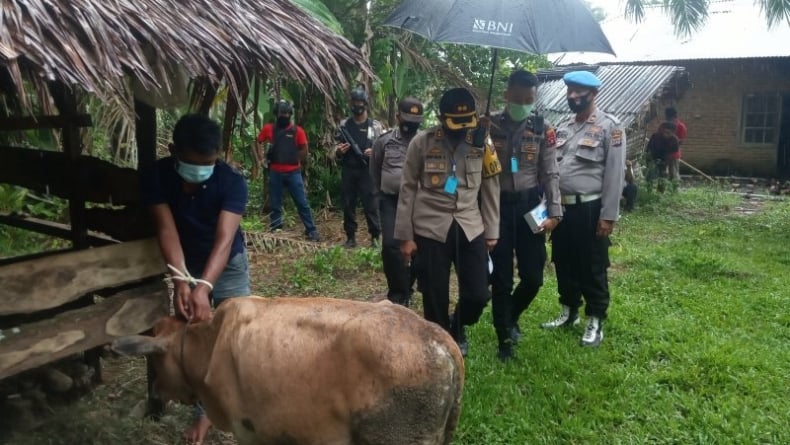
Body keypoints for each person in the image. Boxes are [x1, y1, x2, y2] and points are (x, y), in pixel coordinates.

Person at [140, 113, 251, 444]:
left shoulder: (232, 181)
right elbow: (166, 229)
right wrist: (181, 281)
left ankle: (225, 410)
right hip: (184, 262)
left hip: (226, 263)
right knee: (194, 336)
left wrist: (205, 286)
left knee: (235, 335)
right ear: (173, 151)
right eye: (193, 163)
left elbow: (224, 240)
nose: (201, 170)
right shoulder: (156, 176)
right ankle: (204, 407)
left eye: (208, 164)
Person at [395, 87, 501, 357]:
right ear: (442, 118)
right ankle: (440, 344)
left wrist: (492, 229)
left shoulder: (481, 141)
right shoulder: (422, 142)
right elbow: (407, 188)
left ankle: (458, 324)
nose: (461, 130)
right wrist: (406, 236)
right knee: (434, 295)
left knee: (478, 294)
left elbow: (491, 185)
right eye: (455, 123)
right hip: (430, 227)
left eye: (467, 123)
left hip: (470, 225)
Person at [541, 71, 625, 348]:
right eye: (570, 92)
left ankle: (595, 320)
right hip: (561, 209)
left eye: (579, 92)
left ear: (593, 94)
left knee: (592, 265)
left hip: (589, 208)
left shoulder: (610, 127)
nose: (573, 96)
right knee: (563, 261)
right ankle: (569, 312)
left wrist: (608, 216)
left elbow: (615, 174)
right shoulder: (563, 127)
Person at [487, 70, 562, 361]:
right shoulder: (489, 124)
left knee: (533, 277)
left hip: (530, 207)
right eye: (518, 99)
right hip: (498, 207)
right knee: (502, 279)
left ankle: (510, 315)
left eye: (529, 100)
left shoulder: (543, 128)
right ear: (507, 95)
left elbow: (550, 172)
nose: (523, 105)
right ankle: (503, 340)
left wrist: (555, 211)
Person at [370, 97, 424, 306]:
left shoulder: (426, 142)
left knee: (419, 246)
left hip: (419, 203)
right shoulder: (384, 141)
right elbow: (374, 170)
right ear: (398, 116)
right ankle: (397, 295)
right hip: (391, 201)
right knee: (391, 247)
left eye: (416, 120)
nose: (411, 123)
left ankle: (408, 286)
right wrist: (381, 194)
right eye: (407, 118)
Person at [256, 100, 320, 241]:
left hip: (293, 173)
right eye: (281, 113)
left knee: (302, 203)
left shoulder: (298, 131)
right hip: (275, 172)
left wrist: (297, 160)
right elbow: (258, 141)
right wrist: (261, 158)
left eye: (286, 113)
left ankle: (311, 230)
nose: (284, 115)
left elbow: (304, 148)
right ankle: (276, 230)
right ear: (276, 114)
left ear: (290, 114)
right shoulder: (269, 129)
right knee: (275, 204)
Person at [335, 86, 383, 248]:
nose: (357, 105)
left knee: (371, 205)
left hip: (367, 171)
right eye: (354, 102)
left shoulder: (375, 126)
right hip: (349, 169)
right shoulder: (344, 125)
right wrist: (339, 151)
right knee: (348, 204)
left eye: (360, 102)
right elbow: (334, 148)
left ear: (366, 103)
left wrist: (374, 153)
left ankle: (375, 237)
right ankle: (350, 237)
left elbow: (384, 150)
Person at [645, 121, 679, 193]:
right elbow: (648, 150)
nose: (666, 134)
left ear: (673, 133)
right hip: (653, 158)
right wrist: (649, 162)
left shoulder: (674, 140)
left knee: (662, 178)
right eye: (665, 132)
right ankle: (649, 191)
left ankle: (660, 193)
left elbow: (672, 155)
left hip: (665, 160)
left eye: (669, 133)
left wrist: (668, 167)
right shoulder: (655, 136)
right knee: (650, 176)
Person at [664, 107, 687, 184]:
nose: (666, 118)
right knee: (664, 175)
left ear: (671, 116)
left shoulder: (680, 126)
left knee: (673, 175)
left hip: (674, 155)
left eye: (666, 116)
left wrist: (671, 137)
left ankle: (674, 188)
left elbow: (681, 141)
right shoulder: (665, 125)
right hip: (664, 154)